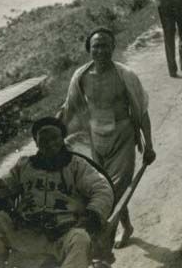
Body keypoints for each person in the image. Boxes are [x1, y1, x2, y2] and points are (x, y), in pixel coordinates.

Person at [58, 28, 156, 262]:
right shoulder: (80, 77)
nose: (100, 50)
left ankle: (102, 251)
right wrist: (51, 135)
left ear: (113, 48)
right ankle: (127, 226)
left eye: (105, 46)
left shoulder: (126, 76)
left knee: (113, 193)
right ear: (89, 49)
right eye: (96, 46)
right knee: (104, 191)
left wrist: (149, 144)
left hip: (122, 139)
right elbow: (68, 108)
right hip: (95, 140)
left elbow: (141, 112)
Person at [0, 117, 114, 268]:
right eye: (44, 140)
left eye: (54, 138)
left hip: (62, 234)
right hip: (28, 233)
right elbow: (1, 188)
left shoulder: (76, 165)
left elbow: (102, 188)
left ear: (62, 137)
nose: (50, 144)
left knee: (80, 239)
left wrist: (90, 216)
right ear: (36, 142)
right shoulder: (24, 165)